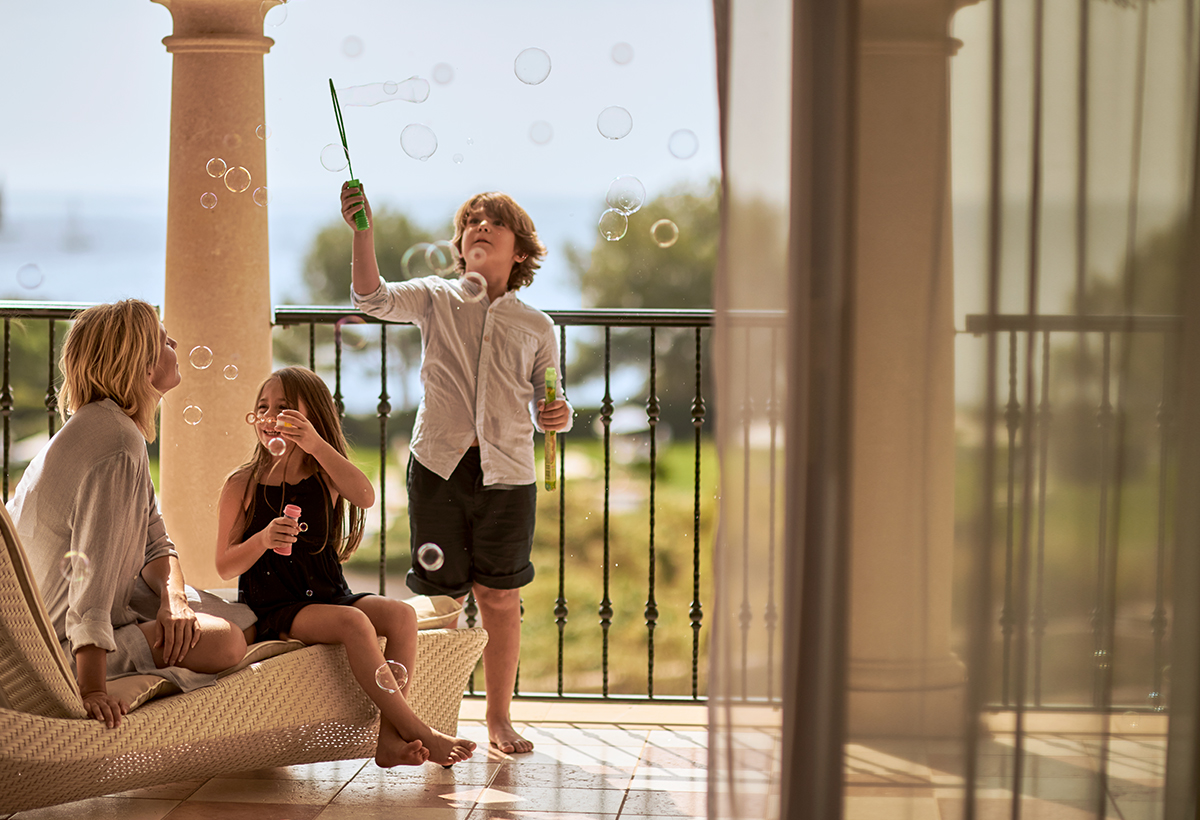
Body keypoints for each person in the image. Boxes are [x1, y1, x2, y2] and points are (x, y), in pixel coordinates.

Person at [340, 184, 573, 754]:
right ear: (460, 244)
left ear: (520, 251)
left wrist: (558, 413)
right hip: (439, 468)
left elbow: (550, 404)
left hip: (509, 476)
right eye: (472, 221)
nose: (480, 226)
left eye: (495, 222)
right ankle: (425, 719)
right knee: (440, 604)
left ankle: (497, 718)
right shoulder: (435, 297)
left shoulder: (537, 326)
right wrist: (363, 232)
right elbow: (371, 297)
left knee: (500, 599)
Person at [7, 299, 256, 729]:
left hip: (96, 610)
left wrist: (174, 601)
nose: (175, 345)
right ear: (142, 365)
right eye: (164, 340)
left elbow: (156, 541)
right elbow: (91, 580)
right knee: (230, 642)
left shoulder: (108, 427)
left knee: (248, 622)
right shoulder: (116, 445)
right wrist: (92, 690)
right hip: (59, 646)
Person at [214, 366, 476, 767]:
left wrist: (316, 445)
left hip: (330, 594)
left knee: (401, 615)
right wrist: (263, 539)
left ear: (312, 416)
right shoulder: (243, 483)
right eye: (262, 407)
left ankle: (389, 738)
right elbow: (224, 565)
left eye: (283, 407)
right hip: (278, 606)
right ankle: (417, 729)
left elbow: (365, 496)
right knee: (354, 623)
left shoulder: (325, 475)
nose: (270, 416)